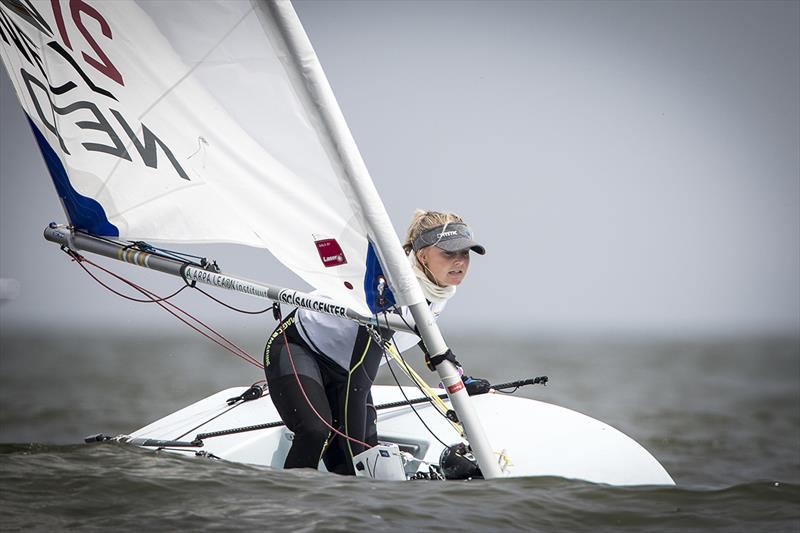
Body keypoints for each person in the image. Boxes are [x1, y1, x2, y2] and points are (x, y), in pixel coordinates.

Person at [262, 210, 486, 474]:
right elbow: (358, 380)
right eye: (449, 253)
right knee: (316, 432)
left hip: (344, 368)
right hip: (299, 348)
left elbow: (423, 328)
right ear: (423, 255)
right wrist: (361, 464)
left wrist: (457, 377)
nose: (460, 262)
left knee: (356, 455)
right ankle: (291, 506)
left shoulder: (438, 287)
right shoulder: (389, 294)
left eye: (464, 254)